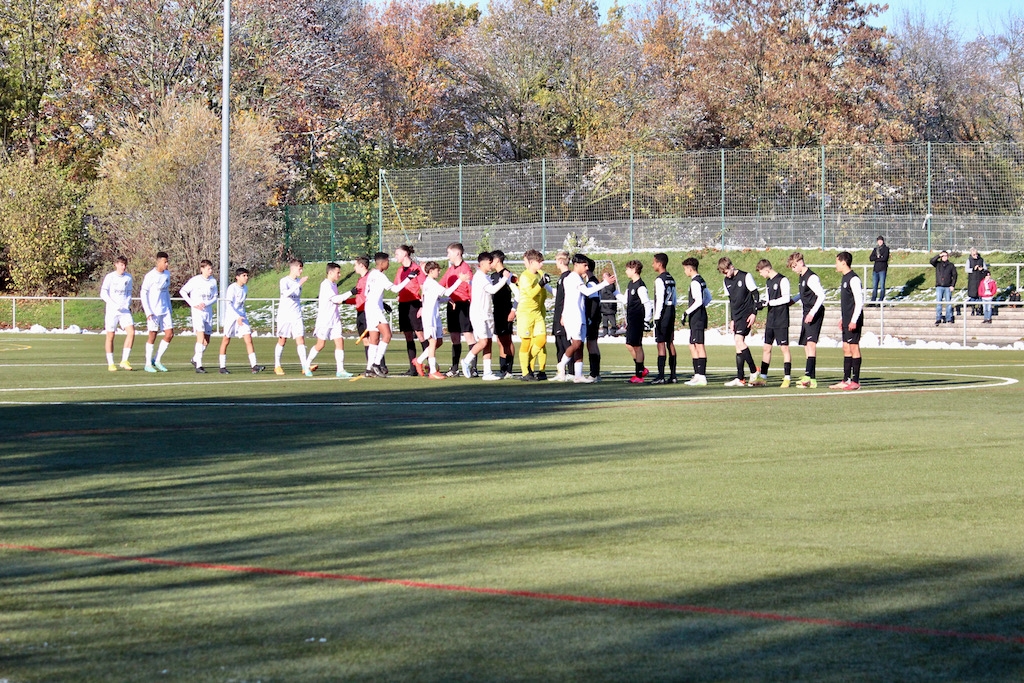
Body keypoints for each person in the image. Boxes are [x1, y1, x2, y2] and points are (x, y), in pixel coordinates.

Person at [556, 253, 614, 383]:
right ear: (576, 265)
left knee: (580, 345)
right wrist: (605, 283)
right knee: (576, 344)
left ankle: (578, 375)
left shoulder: (577, 278)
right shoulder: (573, 278)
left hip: (579, 315)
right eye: (584, 265)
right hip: (574, 315)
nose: (587, 267)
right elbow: (587, 292)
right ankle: (562, 363)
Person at [361, 252, 419, 377]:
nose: (389, 263)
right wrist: (409, 278)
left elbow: (367, 294)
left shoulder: (371, 274)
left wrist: (382, 303)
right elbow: (395, 289)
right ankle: (376, 364)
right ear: (381, 263)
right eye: (387, 261)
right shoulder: (380, 276)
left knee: (374, 339)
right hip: (374, 309)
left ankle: (369, 368)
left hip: (369, 308)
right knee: (387, 335)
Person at [412, 261, 470, 378]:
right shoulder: (431, 283)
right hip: (429, 318)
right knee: (433, 342)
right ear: (431, 271)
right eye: (437, 270)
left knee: (439, 342)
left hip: (435, 316)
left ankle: (419, 360)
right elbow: (447, 291)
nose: (439, 272)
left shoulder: (431, 283)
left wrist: (448, 299)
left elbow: (436, 298)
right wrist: (460, 280)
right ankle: (433, 371)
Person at [460, 252, 510, 381]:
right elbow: (492, 290)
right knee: (482, 341)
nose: (491, 265)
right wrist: (505, 278)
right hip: (478, 314)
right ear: (482, 263)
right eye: (489, 262)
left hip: (487, 313)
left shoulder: (486, 277)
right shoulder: (480, 277)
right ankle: (466, 360)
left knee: (488, 342)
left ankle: (487, 372)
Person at [306, 262, 353, 378]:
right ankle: (306, 365)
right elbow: (336, 299)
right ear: (330, 272)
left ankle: (340, 370)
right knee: (320, 344)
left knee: (339, 341)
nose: (340, 275)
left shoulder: (334, 285)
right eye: (338, 272)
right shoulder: (325, 285)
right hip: (325, 320)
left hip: (335, 319)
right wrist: (351, 292)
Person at [718, 257, 759, 387]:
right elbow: (731, 301)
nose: (725, 275)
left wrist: (754, 313)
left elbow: (756, 294)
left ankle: (754, 370)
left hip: (746, 314)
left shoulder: (746, 276)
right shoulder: (726, 281)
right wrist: (732, 319)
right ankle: (740, 378)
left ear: (731, 267)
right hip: (737, 317)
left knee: (739, 340)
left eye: (725, 271)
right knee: (738, 346)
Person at [787, 252, 825, 389]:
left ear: (801, 262)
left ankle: (808, 376)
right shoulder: (802, 277)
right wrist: (794, 300)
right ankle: (812, 379)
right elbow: (803, 293)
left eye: (794, 266)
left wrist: (812, 313)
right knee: (805, 345)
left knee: (811, 344)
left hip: (814, 313)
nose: (793, 269)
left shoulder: (811, 277)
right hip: (806, 312)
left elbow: (821, 296)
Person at [217, 267, 266, 374]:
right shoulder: (232, 288)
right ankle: (222, 367)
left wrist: (242, 316)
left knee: (248, 338)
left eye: (247, 275)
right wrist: (236, 317)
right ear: (237, 277)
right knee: (226, 340)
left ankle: (254, 365)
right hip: (231, 317)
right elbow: (228, 305)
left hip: (242, 316)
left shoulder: (245, 288)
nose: (246, 278)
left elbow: (241, 305)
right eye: (244, 275)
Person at [754, 259, 792, 387]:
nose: (761, 275)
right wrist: (762, 304)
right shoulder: (768, 282)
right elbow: (768, 299)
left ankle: (787, 377)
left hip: (781, 318)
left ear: (767, 269)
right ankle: (763, 377)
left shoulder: (783, 280)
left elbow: (786, 298)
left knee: (784, 348)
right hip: (771, 318)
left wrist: (770, 303)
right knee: (766, 347)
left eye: (761, 272)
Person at [516, 249, 552, 381]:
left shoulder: (539, 273)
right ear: (531, 262)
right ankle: (526, 372)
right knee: (526, 343)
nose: (541, 265)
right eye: (539, 262)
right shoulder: (525, 277)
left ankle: (528, 364)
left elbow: (543, 292)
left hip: (537, 312)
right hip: (525, 314)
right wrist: (541, 284)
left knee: (542, 339)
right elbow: (531, 293)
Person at [615, 259, 653, 384]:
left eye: (627, 269)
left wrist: (647, 320)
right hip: (631, 320)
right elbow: (626, 300)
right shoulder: (631, 284)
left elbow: (647, 304)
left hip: (638, 320)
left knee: (637, 346)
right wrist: (614, 292)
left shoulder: (640, 286)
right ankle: (641, 369)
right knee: (629, 345)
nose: (625, 271)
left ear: (634, 270)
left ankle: (639, 375)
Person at [440, 243, 474, 376]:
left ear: (457, 253)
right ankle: (454, 368)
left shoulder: (466, 269)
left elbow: (471, 290)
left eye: (449, 253)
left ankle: (473, 367)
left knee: (468, 335)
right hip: (452, 305)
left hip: (464, 305)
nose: (447, 255)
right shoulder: (450, 269)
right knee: (454, 337)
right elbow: (441, 285)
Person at [179, 259, 218, 373]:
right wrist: (193, 304)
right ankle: (199, 365)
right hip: (197, 313)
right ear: (202, 269)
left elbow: (215, 296)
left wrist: (206, 303)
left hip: (208, 312)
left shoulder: (213, 281)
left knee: (206, 340)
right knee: (200, 338)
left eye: (211, 269)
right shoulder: (195, 280)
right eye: (208, 269)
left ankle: (195, 358)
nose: (210, 271)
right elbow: (183, 291)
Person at [831, 251, 864, 390]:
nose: (836, 265)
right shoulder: (844, 278)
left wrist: (853, 320)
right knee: (846, 348)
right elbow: (847, 302)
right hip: (846, 319)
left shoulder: (853, 279)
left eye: (837, 261)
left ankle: (855, 381)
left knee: (854, 347)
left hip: (853, 320)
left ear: (844, 262)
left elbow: (859, 301)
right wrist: (842, 319)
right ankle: (846, 379)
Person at [394, 245, 427, 375]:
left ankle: (430, 364)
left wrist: (423, 306)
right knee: (408, 335)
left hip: (414, 304)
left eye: (397, 254)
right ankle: (412, 368)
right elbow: (397, 286)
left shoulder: (416, 269)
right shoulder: (400, 270)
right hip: (403, 305)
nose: (395, 256)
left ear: (405, 254)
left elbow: (423, 288)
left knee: (420, 334)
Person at [274, 258, 310, 375]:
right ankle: (277, 365)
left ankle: (305, 366)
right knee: (282, 340)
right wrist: (298, 284)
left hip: (296, 315)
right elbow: (285, 294)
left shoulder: (298, 282)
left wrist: (299, 284)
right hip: (285, 315)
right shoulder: (284, 281)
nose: (301, 270)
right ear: (293, 268)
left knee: (300, 339)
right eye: (299, 268)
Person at [100, 255, 135, 372]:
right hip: (112, 311)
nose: (123, 267)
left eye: (125, 265)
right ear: (116, 264)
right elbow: (103, 294)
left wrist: (127, 303)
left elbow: (129, 293)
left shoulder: (128, 278)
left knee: (131, 332)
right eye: (121, 265)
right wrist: (114, 305)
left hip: (124, 311)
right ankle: (110, 363)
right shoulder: (110, 277)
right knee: (110, 336)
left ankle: (124, 360)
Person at [141, 251, 173, 372]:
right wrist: (148, 311)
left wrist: (169, 307)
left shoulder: (167, 275)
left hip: (165, 310)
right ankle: (148, 363)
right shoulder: (150, 276)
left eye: (167, 262)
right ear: (158, 262)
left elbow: (166, 293)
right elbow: (143, 293)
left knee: (169, 334)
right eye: (165, 262)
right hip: (153, 311)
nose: (167, 264)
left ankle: (157, 359)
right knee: (152, 335)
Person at [490, 250, 518, 379]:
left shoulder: (508, 275)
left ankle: (509, 369)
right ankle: (502, 369)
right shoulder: (492, 276)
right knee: (499, 340)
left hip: (506, 311)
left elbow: (518, 294)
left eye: (491, 260)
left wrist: (513, 310)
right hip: (496, 312)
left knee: (507, 340)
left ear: (497, 260)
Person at [681, 257, 709, 386]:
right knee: (692, 345)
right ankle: (697, 374)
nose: (684, 271)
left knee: (699, 345)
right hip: (698, 316)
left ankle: (702, 376)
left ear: (690, 268)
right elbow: (708, 297)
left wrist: (686, 312)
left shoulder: (695, 282)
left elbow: (699, 300)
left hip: (697, 317)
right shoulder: (701, 280)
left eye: (685, 269)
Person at [650, 253, 677, 385]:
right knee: (670, 342)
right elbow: (675, 298)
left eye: (654, 262)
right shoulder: (671, 278)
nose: (652, 265)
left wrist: (657, 318)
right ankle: (673, 375)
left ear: (659, 264)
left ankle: (661, 376)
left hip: (663, 313)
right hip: (671, 311)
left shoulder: (659, 279)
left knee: (660, 343)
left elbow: (660, 300)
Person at [550, 251, 572, 366]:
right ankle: (561, 370)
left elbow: (567, 298)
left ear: (560, 261)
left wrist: (564, 315)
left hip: (563, 316)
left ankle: (572, 371)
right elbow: (558, 294)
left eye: (556, 261)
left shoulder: (568, 277)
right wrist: (545, 286)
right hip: (558, 314)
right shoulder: (561, 278)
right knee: (558, 344)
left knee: (565, 343)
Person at [584, 257, 604, 380]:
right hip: (595, 317)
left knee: (591, 344)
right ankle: (596, 372)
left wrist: (590, 317)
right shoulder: (594, 281)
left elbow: (594, 302)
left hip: (593, 317)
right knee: (592, 343)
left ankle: (594, 373)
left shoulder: (591, 283)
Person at [929, 250, 958, 325]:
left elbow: (955, 276)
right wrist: (938, 255)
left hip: (948, 286)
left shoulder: (951, 265)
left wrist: (952, 285)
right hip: (939, 286)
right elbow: (931, 261)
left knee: (948, 303)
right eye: (943, 256)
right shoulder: (938, 264)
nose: (944, 257)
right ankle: (938, 318)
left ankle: (949, 318)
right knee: (939, 303)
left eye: (945, 256)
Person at [966, 247, 986, 316]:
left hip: (980, 280)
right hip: (972, 281)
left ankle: (980, 309)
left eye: (976, 254)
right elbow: (966, 269)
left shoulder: (981, 260)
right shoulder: (969, 260)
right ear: (971, 254)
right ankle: (973, 309)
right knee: (973, 295)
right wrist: (973, 269)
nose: (976, 256)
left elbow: (985, 268)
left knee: (980, 295)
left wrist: (982, 269)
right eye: (974, 254)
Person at [868, 236, 889, 301]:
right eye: (879, 241)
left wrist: (877, 258)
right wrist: (878, 257)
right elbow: (871, 258)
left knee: (882, 286)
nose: (880, 242)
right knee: (874, 287)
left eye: (881, 240)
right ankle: (873, 300)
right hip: (875, 270)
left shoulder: (886, 249)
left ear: (883, 241)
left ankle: (881, 300)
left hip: (882, 270)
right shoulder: (875, 249)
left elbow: (885, 258)